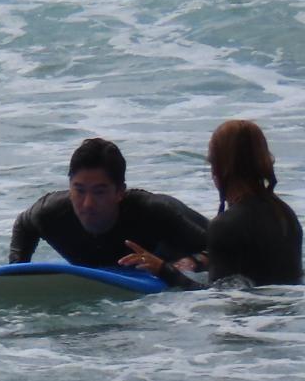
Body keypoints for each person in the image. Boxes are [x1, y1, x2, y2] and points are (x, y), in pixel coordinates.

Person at [121, 119, 303, 288]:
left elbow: (215, 298)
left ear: (219, 167)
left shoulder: (226, 225)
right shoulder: (286, 215)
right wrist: (198, 260)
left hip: (251, 312)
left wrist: (162, 269)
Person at [8, 137, 208, 271]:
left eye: (99, 192)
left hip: (186, 238)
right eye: (79, 190)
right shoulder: (50, 212)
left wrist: (192, 262)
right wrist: (17, 268)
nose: (87, 204)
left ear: (120, 192)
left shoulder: (153, 213)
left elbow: (221, 248)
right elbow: (24, 224)